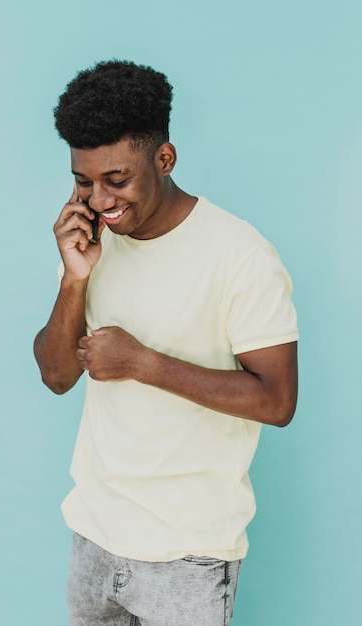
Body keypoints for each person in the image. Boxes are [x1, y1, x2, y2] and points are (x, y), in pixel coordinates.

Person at [34, 60, 299, 626]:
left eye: (117, 179)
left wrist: (142, 363)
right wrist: (74, 279)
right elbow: (56, 375)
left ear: (164, 159)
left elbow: (277, 401)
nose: (99, 200)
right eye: (84, 180)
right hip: (95, 537)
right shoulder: (94, 242)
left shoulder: (240, 255)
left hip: (189, 553)